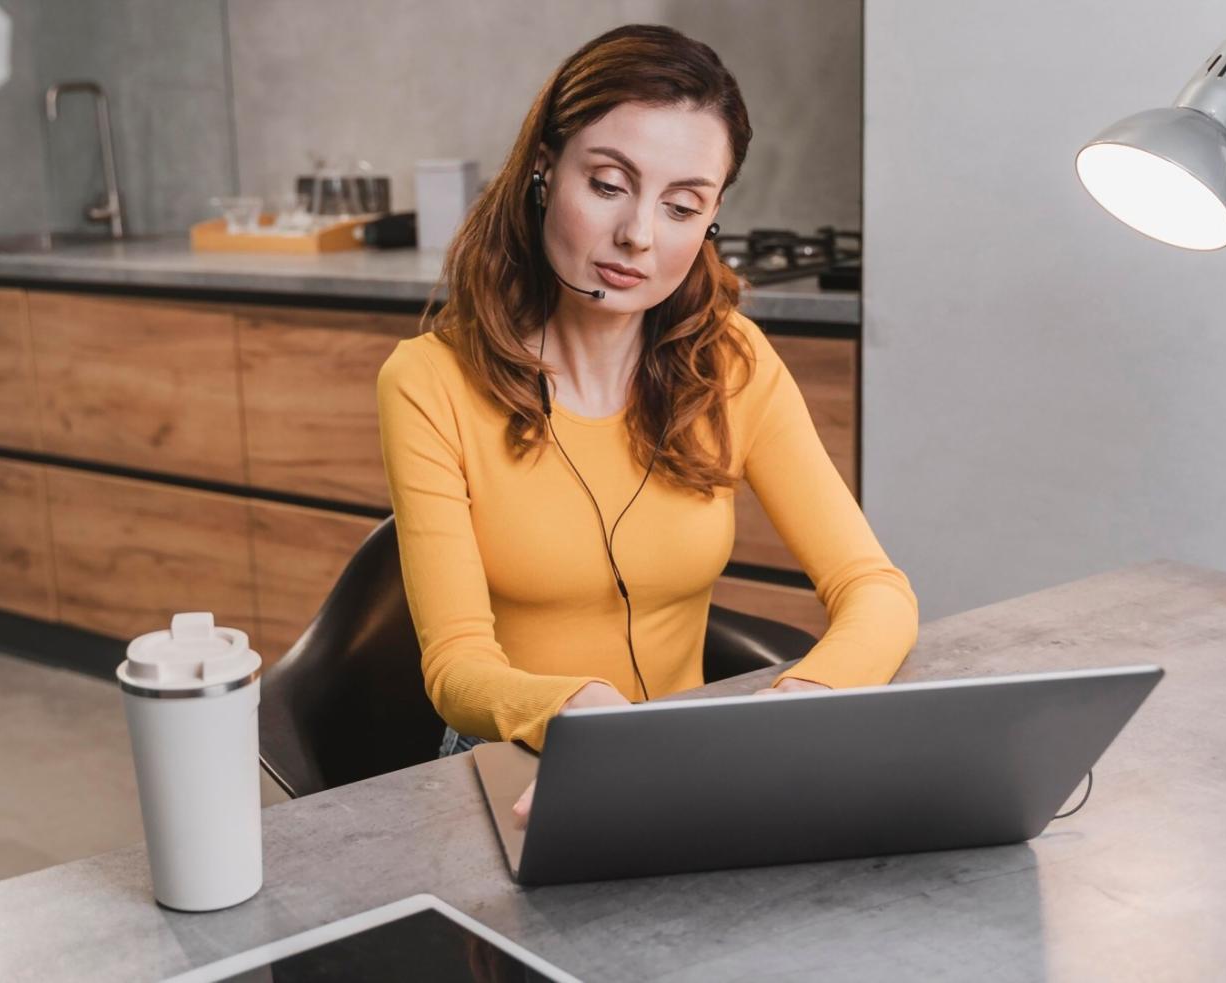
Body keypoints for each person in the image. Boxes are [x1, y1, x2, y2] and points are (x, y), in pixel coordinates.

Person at [377, 24, 918, 829]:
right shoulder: (428, 381)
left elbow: (876, 589)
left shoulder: (732, 361)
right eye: (607, 184)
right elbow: (457, 667)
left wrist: (803, 699)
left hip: (692, 770)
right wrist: (578, 708)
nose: (639, 234)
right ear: (542, 168)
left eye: (682, 206)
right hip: (511, 764)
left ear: (711, 221)